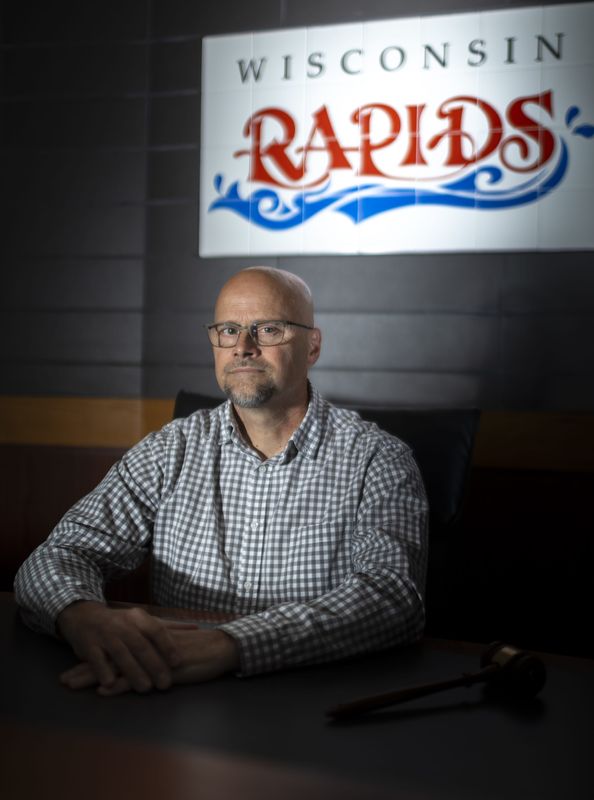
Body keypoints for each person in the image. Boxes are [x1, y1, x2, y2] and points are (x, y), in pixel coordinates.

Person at [14, 266, 428, 696]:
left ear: (313, 346)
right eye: (228, 330)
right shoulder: (170, 450)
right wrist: (82, 616)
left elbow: (392, 598)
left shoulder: (377, 459)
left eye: (268, 329)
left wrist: (231, 644)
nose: (243, 348)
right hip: (168, 694)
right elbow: (61, 553)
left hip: (309, 700)